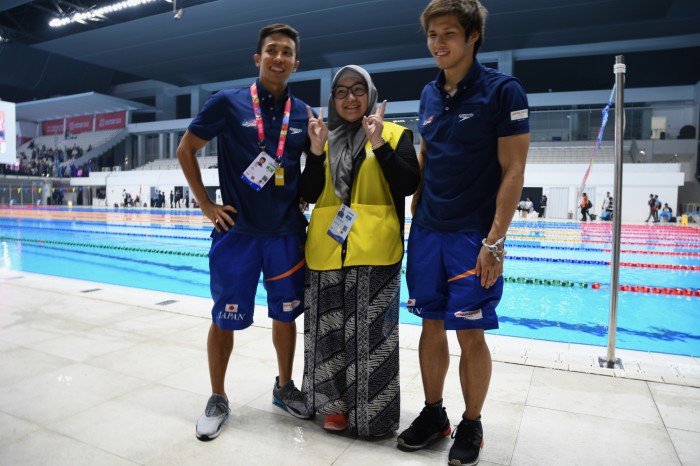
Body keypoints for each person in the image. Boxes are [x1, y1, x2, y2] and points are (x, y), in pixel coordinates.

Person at [397, 1, 530, 465]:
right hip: (429, 232)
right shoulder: (429, 94)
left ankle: (471, 423)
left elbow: (513, 170)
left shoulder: (503, 92)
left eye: (448, 33)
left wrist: (494, 241)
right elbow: (428, 155)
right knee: (430, 324)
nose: (438, 43)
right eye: (432, 35)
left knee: (469, 332)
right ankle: (435, 414)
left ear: (473, 36)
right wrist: (413, 206)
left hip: (472, 235)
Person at [176, 23, 313, 442]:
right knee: (225, 318)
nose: (278, 58)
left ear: (295, 62)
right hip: (237, 234)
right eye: (271, 50)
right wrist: (205, 204)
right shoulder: (227, 103)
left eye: (286, 52)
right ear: (258, 58)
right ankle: (218, 396)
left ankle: (284, 386)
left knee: (285, 315)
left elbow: (313, 171)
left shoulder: (305, 114)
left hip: (287, 234)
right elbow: (186, 149)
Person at [300, 65, 420, 436]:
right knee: (330, 335)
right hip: (327, 248)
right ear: (333, 99)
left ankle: (374, 415)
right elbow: (306, 192)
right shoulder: (323, 137)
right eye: (341, 91)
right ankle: (335, 407)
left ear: (369, 93)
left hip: (376, 250)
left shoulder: (396, 134)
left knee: (374, 339)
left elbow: (408, 183)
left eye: (357, 90)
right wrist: (317, 152)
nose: (349, 98)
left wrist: (379, 143)